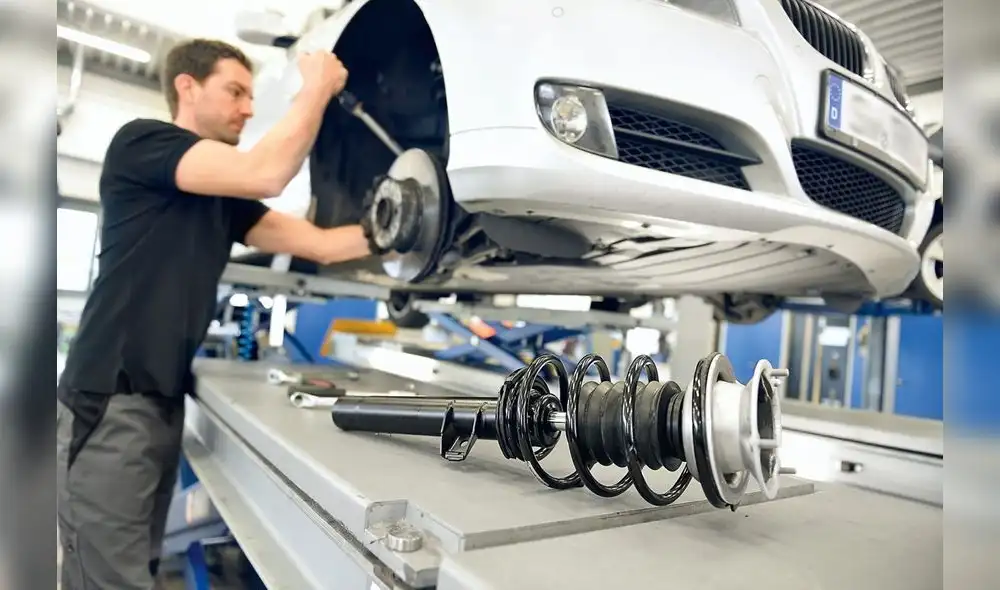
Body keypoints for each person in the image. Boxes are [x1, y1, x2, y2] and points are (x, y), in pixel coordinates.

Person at [55, 38, 403, 589]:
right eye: (236, 92)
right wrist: (314, 88)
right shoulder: (141, 143)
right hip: (110, 402)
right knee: (106, 577)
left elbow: (322, 246)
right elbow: (267, 173)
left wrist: (404, 225)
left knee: (135, 567)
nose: (247, 108)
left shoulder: (224, 198)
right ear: (187, 87)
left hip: (160, 403)